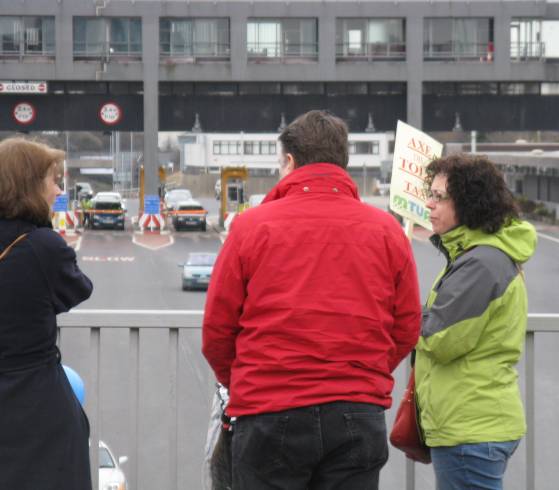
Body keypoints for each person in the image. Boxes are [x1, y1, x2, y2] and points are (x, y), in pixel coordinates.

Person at [202, 110, 421, 490]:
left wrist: (242, 381)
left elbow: (217, 331)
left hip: (269, 408)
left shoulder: (252, 227)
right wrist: (363, 371)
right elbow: (406, 326)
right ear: (343, 161)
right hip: (357, 410)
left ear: (289, 161)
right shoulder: (387, 232)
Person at [415, 154, 537, 490]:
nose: (430, 203)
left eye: (440, 196)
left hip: (471, 428)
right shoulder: (478, 255)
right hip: (474, 422)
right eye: (431, 193)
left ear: (469, 203)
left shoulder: (481, 263)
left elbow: (439, 339)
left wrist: (409, 310)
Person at [0, 137, 94, 490]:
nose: (58, 190)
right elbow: (77, 289)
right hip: (36, 403)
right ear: (29, 186)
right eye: (52, 180)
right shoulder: (42, 247)